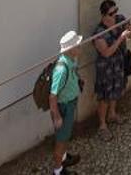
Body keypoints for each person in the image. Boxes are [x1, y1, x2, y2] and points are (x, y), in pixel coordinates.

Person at [90, 0, 131, 136]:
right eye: (111, 13)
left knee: (117, 90)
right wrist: (121, 38)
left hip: (120, 63)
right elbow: (107, 52)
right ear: (103, 15)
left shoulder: (120, 19)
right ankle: (102, 125)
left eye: (116, 10)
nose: (115, 14)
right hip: (106, 67)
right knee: (104, 96)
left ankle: (113, 114)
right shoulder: (99, 33)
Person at [47, 30, 85, 172]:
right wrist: (57, 117)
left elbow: (73, 73)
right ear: (70, 49)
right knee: (61, 141)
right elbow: (53, 96)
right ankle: (58, 170)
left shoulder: (70, 60)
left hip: (69, 104)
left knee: (65, 136)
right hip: (64, 108)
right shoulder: (61, 69)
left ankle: (63, 159)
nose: (80, 48)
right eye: (77, 45)